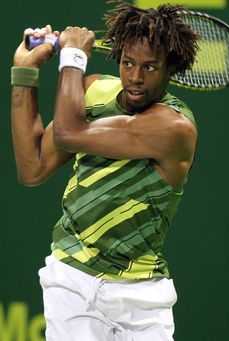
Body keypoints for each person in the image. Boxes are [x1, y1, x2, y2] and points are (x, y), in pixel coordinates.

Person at [11, 1, 199, 340]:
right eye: (128, 63)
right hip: (71, 281)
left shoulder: (174, 127)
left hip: (141, 296)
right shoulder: (94, 90)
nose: (136, 78)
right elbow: (32, 168)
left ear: (171, 69)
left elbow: (71, 133)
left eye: (150, 67)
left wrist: (72, 58)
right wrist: (24, 71)